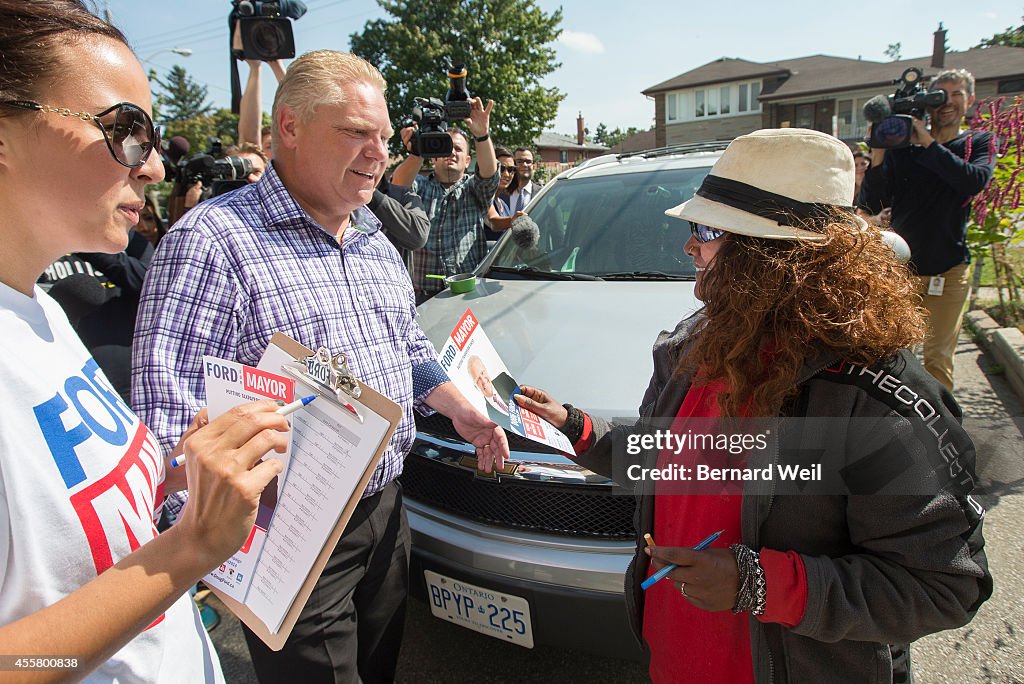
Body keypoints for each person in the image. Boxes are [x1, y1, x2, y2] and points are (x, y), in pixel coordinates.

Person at [515, 128, 991, 683]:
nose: (689, 246)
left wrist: (759, 584)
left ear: (778, 257)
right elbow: (677, 455)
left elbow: (944, 584)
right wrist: (577, 429)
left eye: (707, 230)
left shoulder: (868, 398)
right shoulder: (696, 347)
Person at [133, 50, 509, 684]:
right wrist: (217, 548)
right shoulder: (213, 243)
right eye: (356, 132)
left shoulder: (371, 237)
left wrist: (458, 406)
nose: (378, 153)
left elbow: (406, 348)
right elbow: (166, 419)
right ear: (289, 127)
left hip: (389, 510)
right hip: (286, 535)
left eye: (385, 137)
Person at [0, 2, 290, 680]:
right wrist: (189, 550)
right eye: (127, 131)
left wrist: (176, 471)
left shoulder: (37, 307)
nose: (156, 168)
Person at [860, 68, 996, 391]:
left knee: (937, 359)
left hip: (948, 272)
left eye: (955, 94)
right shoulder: (904, 148)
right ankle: (897, 430)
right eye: (938, 96)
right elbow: (874, 200)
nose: (946, 103)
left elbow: (972, 181)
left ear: (971, 100)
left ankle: (941, 433)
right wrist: (880, 149)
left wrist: (929, 144)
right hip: (902, 269)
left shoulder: (978, 142)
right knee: (893, 353)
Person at [391, 113, 499, 302]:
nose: (452, 152)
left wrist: (482, 135)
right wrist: (417, 152)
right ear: (433, 158)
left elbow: (489, 175)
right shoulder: (419, 186)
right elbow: (398, 186)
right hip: (421, 294)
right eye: (446, 147)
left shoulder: (474, 189)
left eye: (458, 148)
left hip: (468, 291)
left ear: (467, 161)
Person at [484, 145, 524, 240]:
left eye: (511, 169)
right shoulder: (482, 196)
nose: (506, 174)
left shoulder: (504, 205)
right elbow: (493, 222)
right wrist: (514, 220)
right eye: (501, 168)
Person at [507, 146, 542, 213]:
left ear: (534, 166)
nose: (525, 165)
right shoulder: (502, 192)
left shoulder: (542, 194)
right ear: (513, 164)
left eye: (528, 161)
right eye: (519, 161)